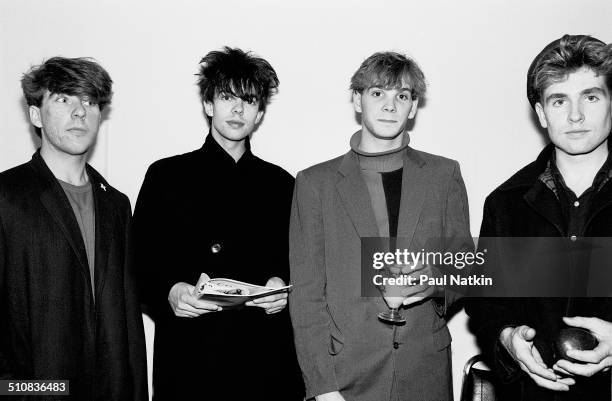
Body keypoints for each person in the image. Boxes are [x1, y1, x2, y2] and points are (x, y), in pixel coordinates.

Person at [289, 51, 472, 401]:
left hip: (425, 371)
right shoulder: (315, 183)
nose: (390, 106)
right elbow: (307, 296)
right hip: (345, 377)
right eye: (378, 93)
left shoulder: (444, 174)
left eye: (401, 96)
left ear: (413, 107)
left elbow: (464, 268)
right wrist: (322, 385)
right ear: (357, 100)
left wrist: (430, 282)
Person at [133, 47, 303, 400]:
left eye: (250, 100)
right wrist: (170, 290)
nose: (238, 109)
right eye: (227, 97)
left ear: (259, 114)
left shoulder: (282, 184)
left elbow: (304, 266)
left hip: (265, 361)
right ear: (209, 105)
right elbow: (138, 261)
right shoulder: (166, 176)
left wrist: (283, 287)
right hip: (191, 359)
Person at [466, 34, 612, 400]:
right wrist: (508, 338)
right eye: (559, 100)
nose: (575, 115)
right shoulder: (505, 203)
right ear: (542, 113)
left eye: (591, 97)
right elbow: (486, 304)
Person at [0, 57, 148, 400]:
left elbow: (129, 326)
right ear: (36, 114)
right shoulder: (7, 196)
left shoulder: (117, 204)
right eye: (64, 99)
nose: (80, 112)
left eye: (90, 101)